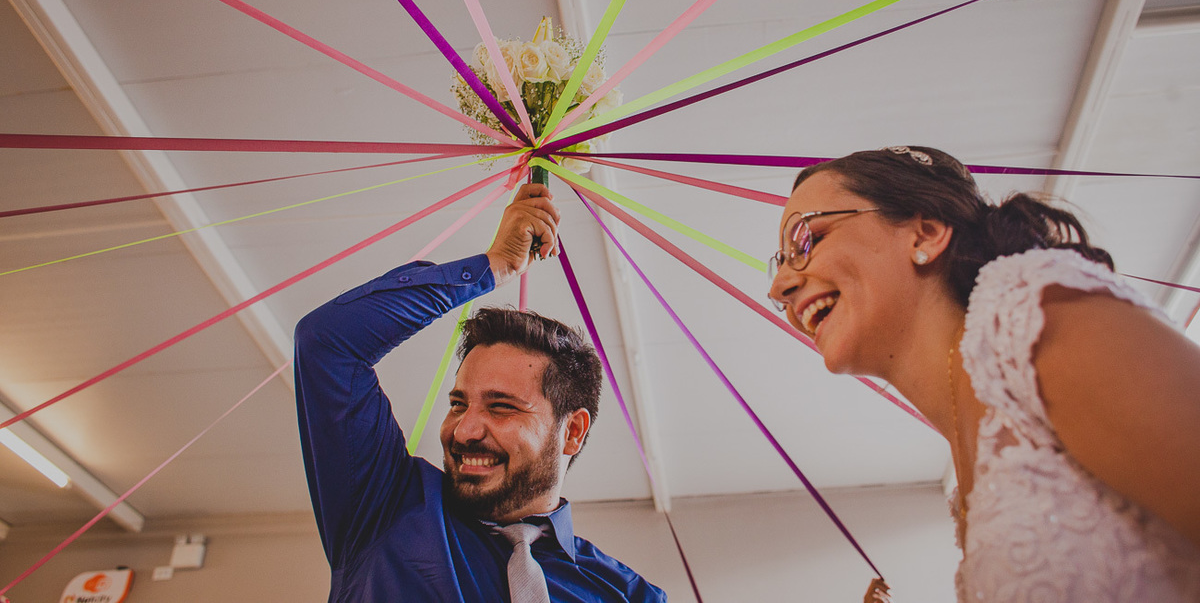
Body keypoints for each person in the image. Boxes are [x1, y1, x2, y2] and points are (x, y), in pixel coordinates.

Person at [767, 146, 1200, 601]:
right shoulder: (969, 450)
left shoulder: (1033, 318)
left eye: (806, 240)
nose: (779, 288)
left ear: (925, 234)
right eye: (780, 262)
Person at [295, 184, 667, 603]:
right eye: (458, 404)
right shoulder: (383, 505)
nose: (464, 430)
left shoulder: (627, 595)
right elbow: (326, 342)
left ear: (572, 431)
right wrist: (494, 265)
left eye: (501, 407)